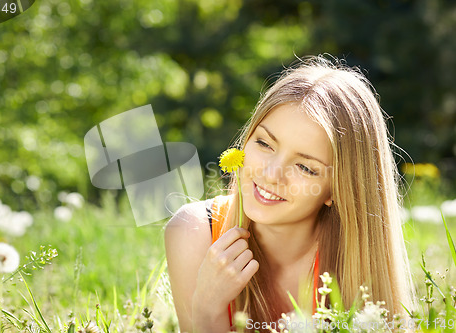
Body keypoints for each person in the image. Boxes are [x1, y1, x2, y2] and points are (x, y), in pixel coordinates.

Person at [164, 55, 416, 333]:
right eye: (264, 143)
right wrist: (207, 310)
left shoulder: (355, 260)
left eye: (305, 167)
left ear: (338, 189)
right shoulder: (194, 233)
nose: (271, 174)